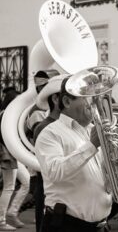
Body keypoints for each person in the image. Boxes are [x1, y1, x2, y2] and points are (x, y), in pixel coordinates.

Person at [35, 76, 118, 232]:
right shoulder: (50, 133)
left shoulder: (98, 130)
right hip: (66, 226)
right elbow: (54, 172)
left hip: (101, 226)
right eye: (88, 97)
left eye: (96, 97)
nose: (95, 103)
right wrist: (92, 145)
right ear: (67, 101)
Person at [32, 74, 68, 232]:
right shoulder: (44, 127)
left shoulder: (70, 125)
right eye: (70, 97)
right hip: (52, 190)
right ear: (56, 99)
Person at [0, 87, 31, 231]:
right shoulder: (5, 115)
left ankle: (12, 212)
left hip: (12, 154)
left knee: (25, 181)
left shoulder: (7, 115)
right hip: (7, 154)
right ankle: (1, 221)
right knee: (9, 187)